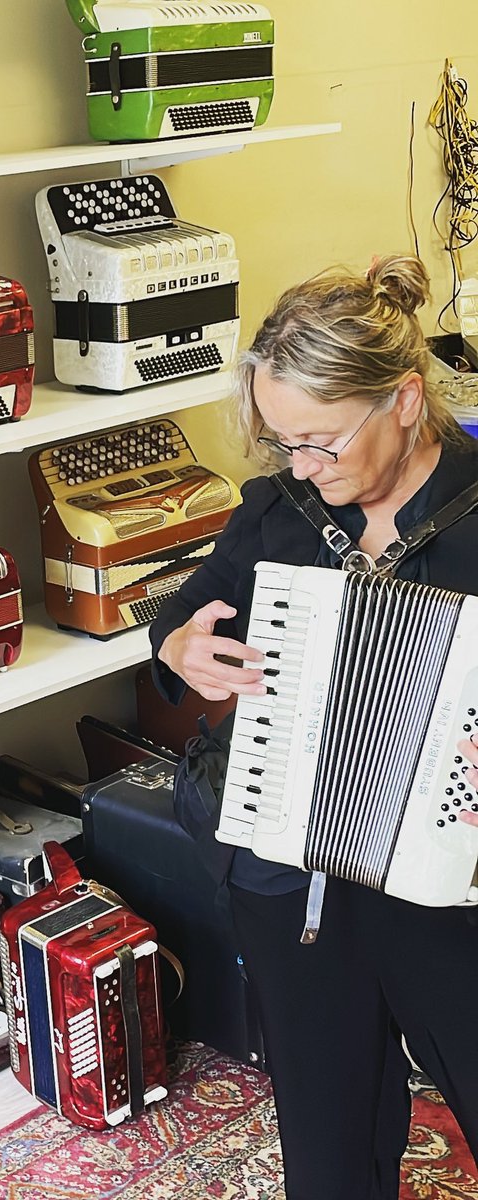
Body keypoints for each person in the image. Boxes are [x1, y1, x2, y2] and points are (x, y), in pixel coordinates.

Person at [151, 253, 478, 1200]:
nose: (303, 466)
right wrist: (181, 648)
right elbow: (185, 606)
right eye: (284, 441)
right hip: (298, 880)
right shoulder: (283, 512)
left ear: (406, 401)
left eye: (323, 442)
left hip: (450, 886)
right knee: (328, 1142)